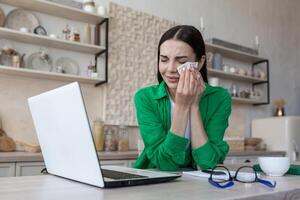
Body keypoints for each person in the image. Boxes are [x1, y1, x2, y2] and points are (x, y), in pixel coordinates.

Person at [133, 25, 231, 171]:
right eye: (164, 59)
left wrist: (194, 105)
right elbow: (165, 163)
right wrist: (182, 106)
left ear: (200, 62)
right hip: (155, 182)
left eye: (181, 61)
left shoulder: (220, 98)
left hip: (198, 187)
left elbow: (208, 163)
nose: (171, 68)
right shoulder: (145, 98)